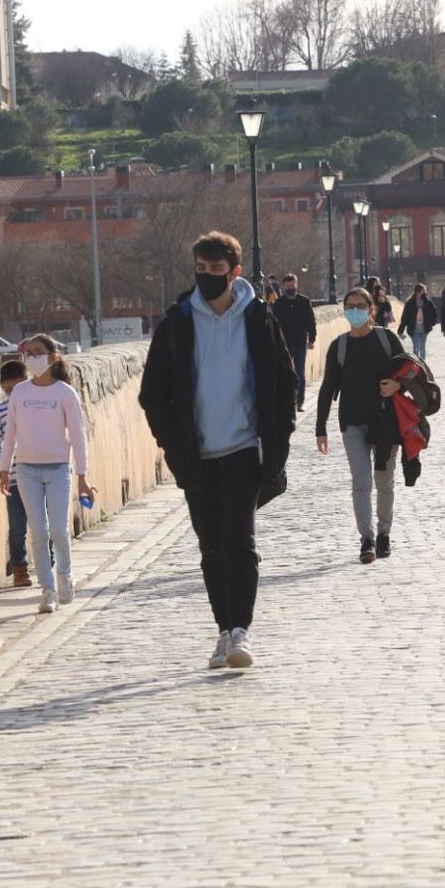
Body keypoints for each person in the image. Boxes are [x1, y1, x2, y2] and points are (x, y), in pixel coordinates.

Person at [138, 231, 298, 670]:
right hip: (197, 456)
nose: (208, 277)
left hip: (245, 448)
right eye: (201, 270)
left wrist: (277, 446)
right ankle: (224, 631)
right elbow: (152, 393)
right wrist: (172, 445)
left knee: (239, 541)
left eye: (216, 270)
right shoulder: (177, 324)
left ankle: (241, 632)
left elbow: (285, 384)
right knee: (211, 546)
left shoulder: (258, 319)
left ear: (236, 271)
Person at [0, 334, 93, 615]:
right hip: (26, 469)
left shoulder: (64, 393)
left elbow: (78, 436)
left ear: (52, 357)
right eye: (29, 353)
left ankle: (64, 574)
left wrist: (83, 476)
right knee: (38, 531)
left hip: (58, 468)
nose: (32, 357)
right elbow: (10, 433)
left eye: (38, 352)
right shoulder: (20, 393)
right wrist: (5, 468)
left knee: (59, 531)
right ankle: (47, 588)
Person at [317, 287, 408, 564]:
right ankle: (366, 539)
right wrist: (320, 427)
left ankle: (383, 534)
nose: (354, 311)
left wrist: (398, 384)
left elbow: (410, 371)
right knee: (361, 482)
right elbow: (327, 387)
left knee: (384, 482)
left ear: (371, 309)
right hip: (352, 422)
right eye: (350, 306)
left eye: (360, 306)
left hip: (386, 423)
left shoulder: (387, 339)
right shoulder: (339, 346)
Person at [0, 358, 35, 588]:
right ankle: (19, 568)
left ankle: (49, 561)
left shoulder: (37, 404)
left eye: (16, 388)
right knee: (17, 527)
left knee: (43, 523)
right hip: (14, 479)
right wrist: (1, 469)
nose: (12, 393)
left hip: (38, 474)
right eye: (8, 390)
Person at [270, 272, 318, 413]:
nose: (291, 287)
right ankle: (285, 401)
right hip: (283, 343)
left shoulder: (304, 302)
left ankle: (299, 402)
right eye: (288, 286)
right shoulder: (278, 304)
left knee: (299, 373)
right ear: (284, 286)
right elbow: (274, 324)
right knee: (284, 372)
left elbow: (311, 321)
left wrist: (312, 339)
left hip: (300, 341)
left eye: (293, 285)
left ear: (297, 285)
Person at [398, 283, 438, 362]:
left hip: (424, 328)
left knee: (422, 348)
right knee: (416, 348)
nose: (425, 293)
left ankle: (423, 365)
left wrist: (432, 323)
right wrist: (401, 330)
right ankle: (416, 364)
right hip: (414, 328)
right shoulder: (410, 303)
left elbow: (434, 313)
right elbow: (405, 317)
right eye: (423, 291)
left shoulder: (428, 302)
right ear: (418, 292)